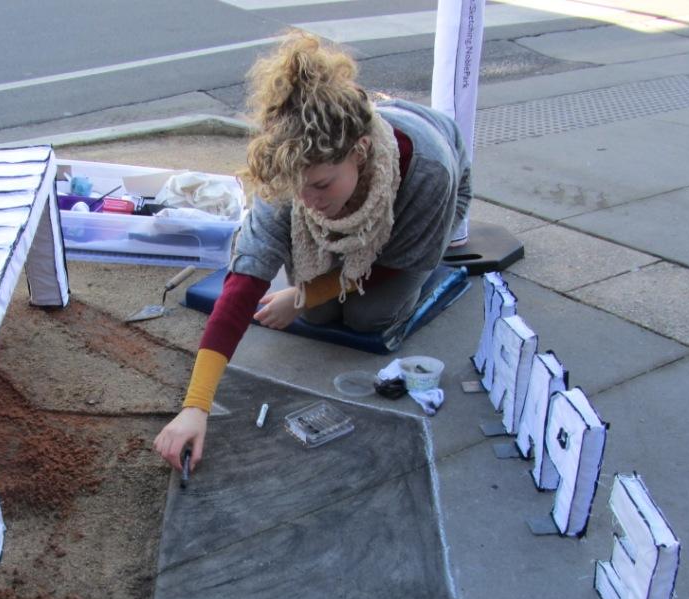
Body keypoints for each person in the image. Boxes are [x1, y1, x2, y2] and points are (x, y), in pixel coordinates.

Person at [153, 31, 471, 471]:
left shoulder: (429, 173)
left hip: (431, 190)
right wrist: (195, 406)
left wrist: (302, 295)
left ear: (360, 151)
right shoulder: (293, 167)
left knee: (367, 317)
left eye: (321, 185)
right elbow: (246, 277)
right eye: (297, 189)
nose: (308, 201)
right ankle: (334, 250)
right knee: (321, 315)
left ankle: (360, 273)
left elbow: (392, 264)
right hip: (354, 205)